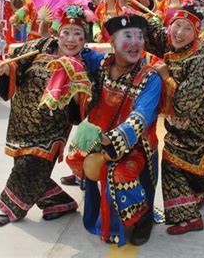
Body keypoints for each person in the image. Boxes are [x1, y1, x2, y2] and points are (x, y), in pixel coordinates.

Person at [0, 5, 90, 227]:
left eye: (78, 35)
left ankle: (8, 207)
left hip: (52, 130)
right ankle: (59, 202)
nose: (71, 40)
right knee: (30, 170)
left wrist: (77, 89)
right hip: (22, 122)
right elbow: (15, 64)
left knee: (28, 166)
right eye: (66, 32)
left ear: (84, 40)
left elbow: (81, 108)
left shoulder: (83, 64)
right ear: (58, 33)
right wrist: (6, 69)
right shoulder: (38, 47)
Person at [71, 14, 162, 246]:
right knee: (75, 156)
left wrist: (110, 139)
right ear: (112, 41)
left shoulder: (150, 77)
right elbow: (77, 51)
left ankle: (143, 220)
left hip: (135, 146)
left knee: (118, 174)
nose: (135, 42)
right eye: (128, 36)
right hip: (103, 139)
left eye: (140, 37)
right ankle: (102, 210)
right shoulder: (102, 63)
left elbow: (141, 117)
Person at [143, 4, 204, 235]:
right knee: (178, 161)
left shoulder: (199, 60)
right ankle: (197, 195)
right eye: (176, 25)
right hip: (182, 131)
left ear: (197, 34)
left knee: (171, 162)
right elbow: (153, 31)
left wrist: (165, 75)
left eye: (187, 29)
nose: (179, 33)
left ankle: (188, 217)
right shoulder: (174, 45)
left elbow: (182, 104)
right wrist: (136, 2)